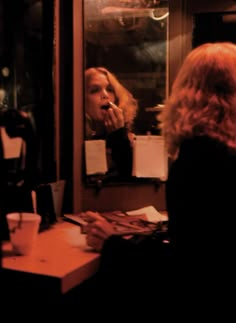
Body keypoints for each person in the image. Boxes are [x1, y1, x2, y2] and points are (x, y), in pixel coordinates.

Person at [81, 42, 236, 317]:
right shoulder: (223, 150)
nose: (105, 96)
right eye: (94, 90)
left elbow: (186, 269)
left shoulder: (202, 156)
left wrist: (112, 244)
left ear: (188, 93)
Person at [85, 67, 138, 181]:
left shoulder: (128, 139)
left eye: (110, 89)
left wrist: (119, 135)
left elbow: (128, 180)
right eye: (94, 90)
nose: (105, 95)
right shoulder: (78, 141)